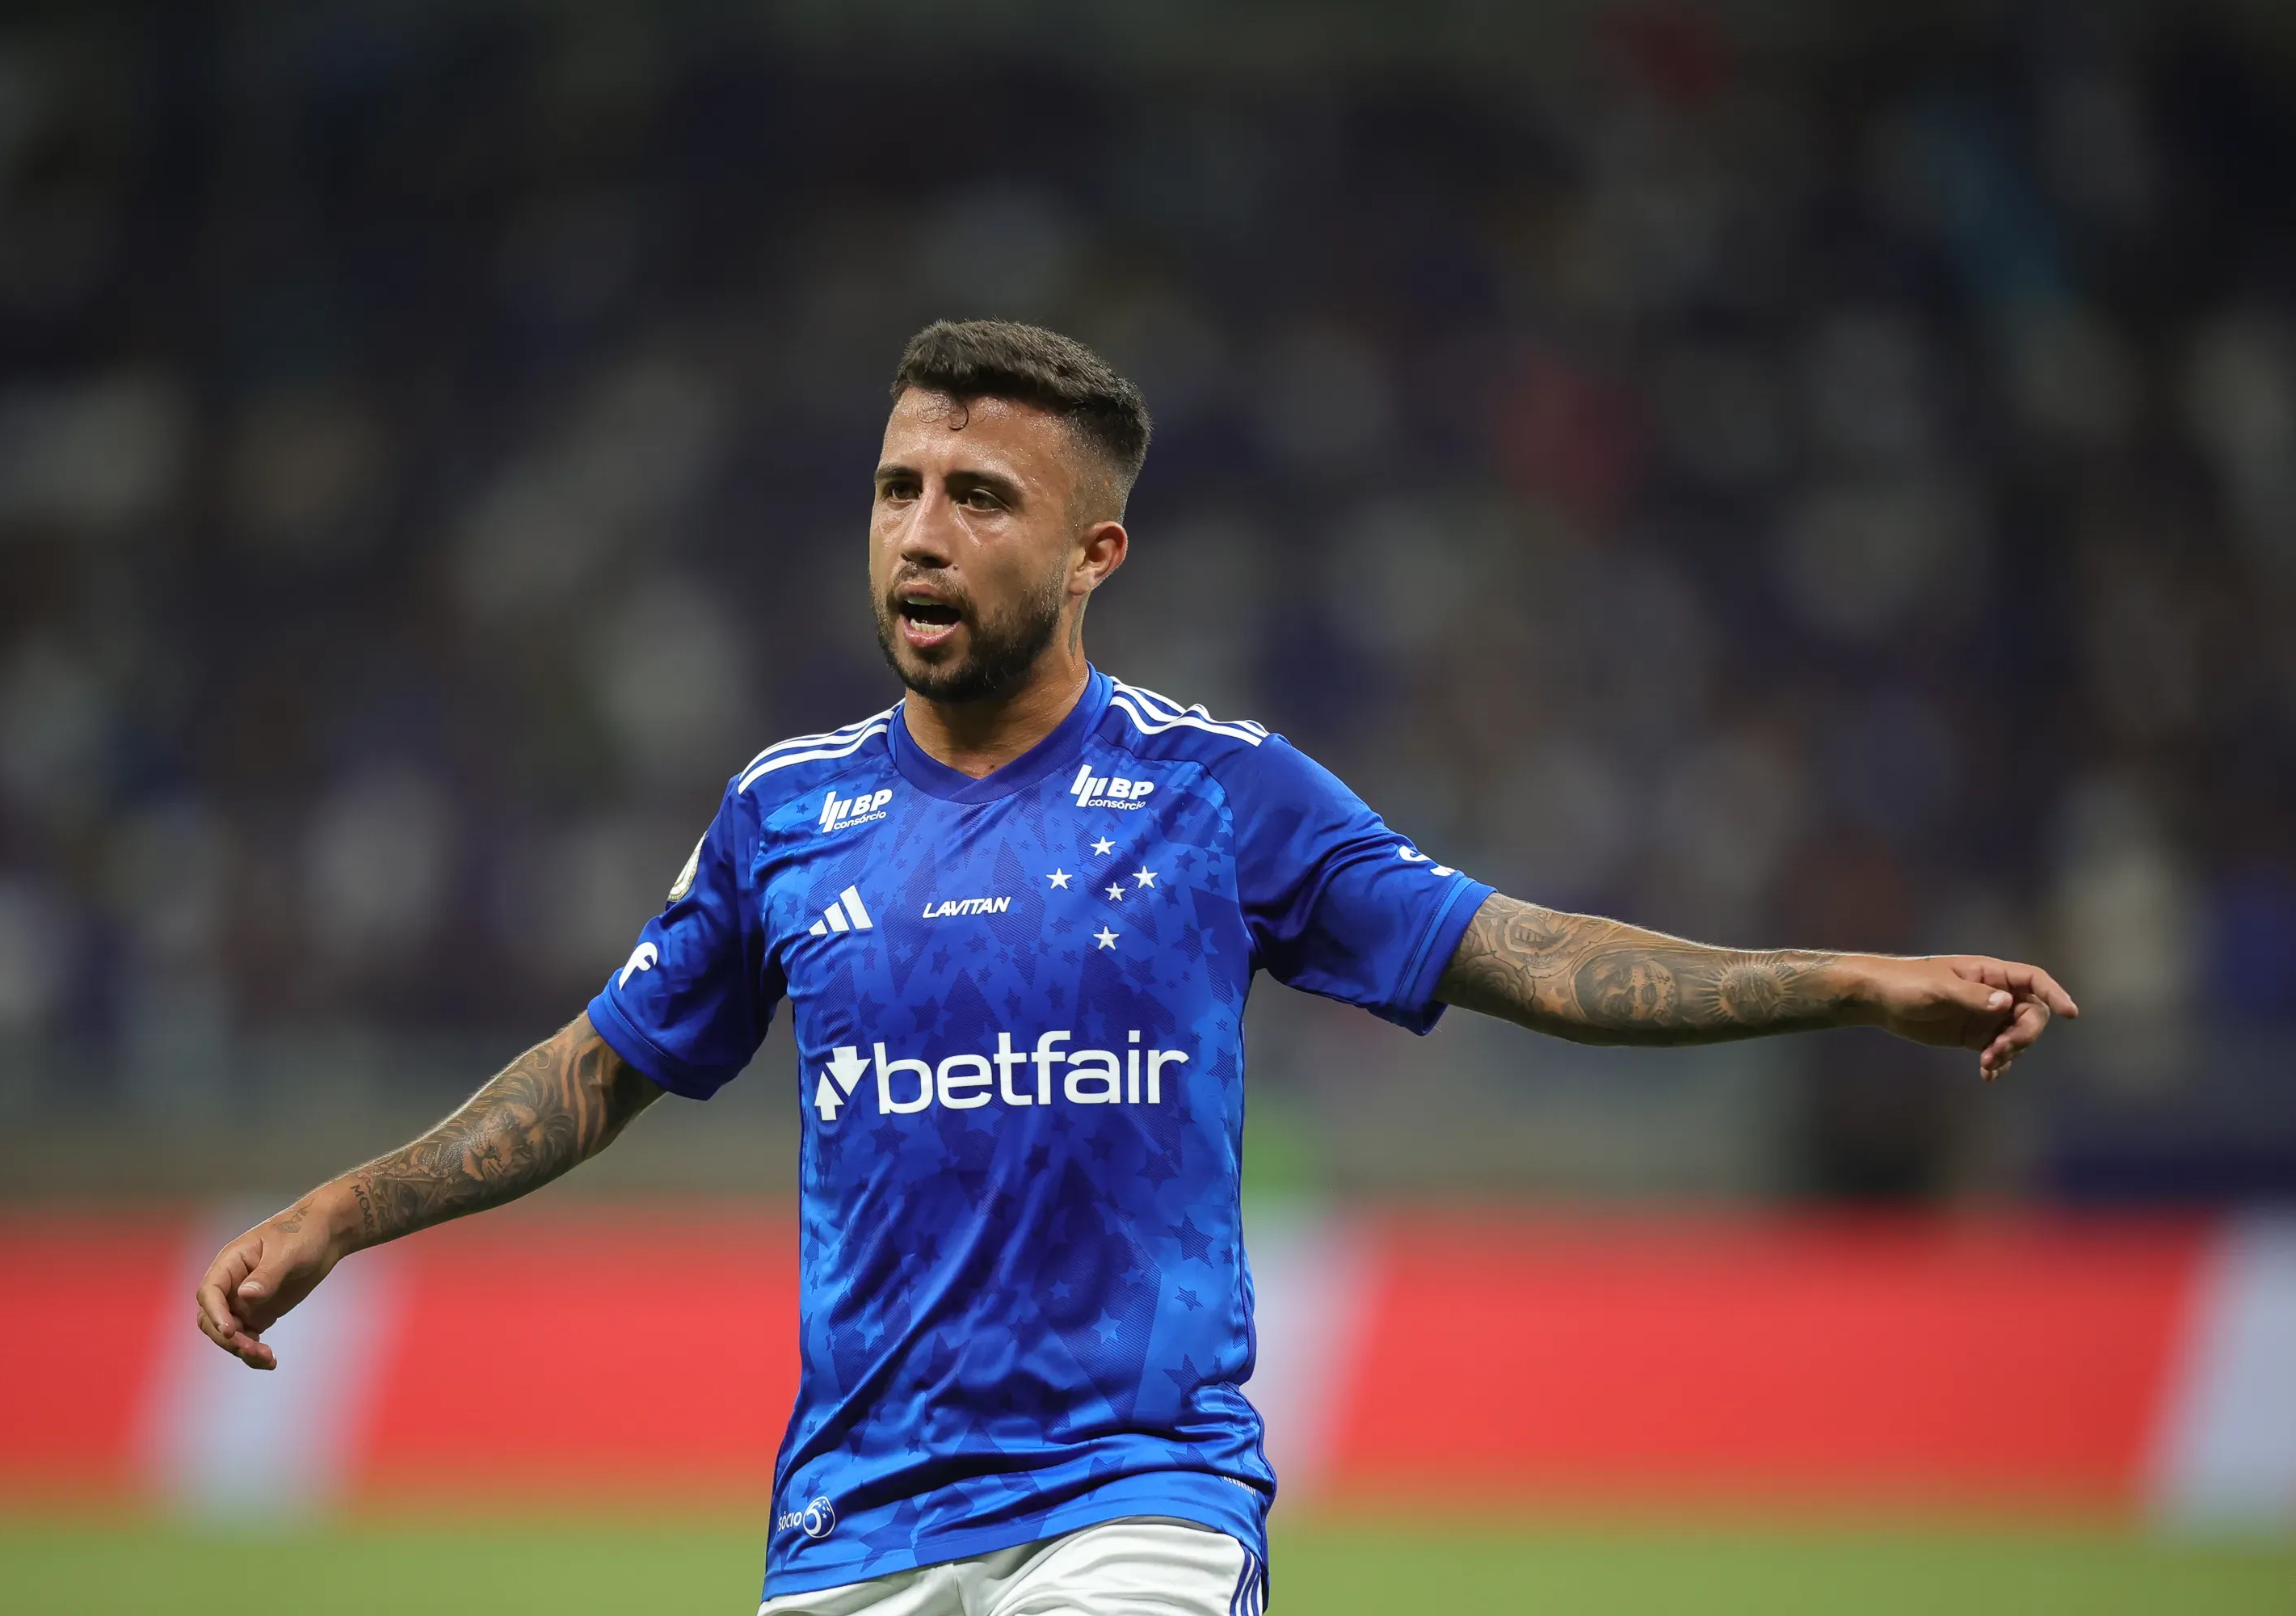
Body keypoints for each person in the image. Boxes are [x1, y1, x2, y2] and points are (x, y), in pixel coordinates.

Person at [196, 318, 2077, 1614]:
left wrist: (1854, 982)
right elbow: (600, 1067)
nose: (922, 532)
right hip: (852, 1517)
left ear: (1096, 548)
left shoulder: (1217, 795)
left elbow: (1525, 951)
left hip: (1136, 1502)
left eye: (979, 497)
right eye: (898, 487)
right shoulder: (784, 815)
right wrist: (340, 1215)